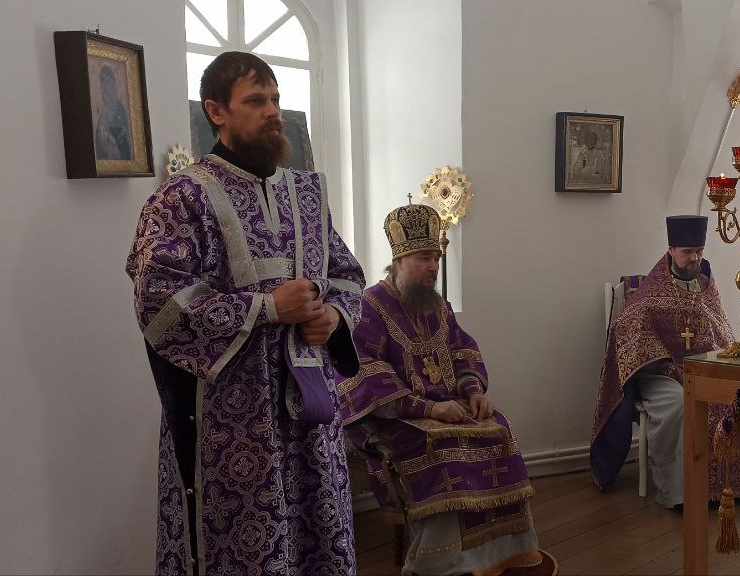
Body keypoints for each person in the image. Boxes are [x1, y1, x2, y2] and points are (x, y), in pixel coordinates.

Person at [126, 51, 366, 575]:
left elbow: (348, 274)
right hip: (231, 424)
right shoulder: (181, 198)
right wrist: (267, 307)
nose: (272, 111)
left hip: (310, 413)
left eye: (275, 99)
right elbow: (159, 303)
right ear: (216, 111)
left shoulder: (307, 192)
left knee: (320, 540)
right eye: (255, 101)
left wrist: (334, 316)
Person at [340, 204, 547, 575]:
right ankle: (441, 562)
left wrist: (473, 392)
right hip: (390, 416)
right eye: (424, 258)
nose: (433, 266)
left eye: (436, 257)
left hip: (450, 406)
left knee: (500, 430)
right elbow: (366, 370)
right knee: (445, 450)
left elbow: (461, 351)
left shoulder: (439, 306)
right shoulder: (369, 306)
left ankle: (504, 553)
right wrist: (429, 409)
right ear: (399, 260)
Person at [590, 215, 740, 509]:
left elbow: (721, 332)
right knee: (679, 405)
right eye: (688, 251)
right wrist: (662, 359)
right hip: (661, 374)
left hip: (702, 369)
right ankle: (678, 493)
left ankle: (732, 487)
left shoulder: (706, 286)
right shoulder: (651, 292)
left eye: (699, 251)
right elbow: (625, 330)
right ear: (671, 250)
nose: (695, 258)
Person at [94, 64, 132, 160]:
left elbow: (126, 136)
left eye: (110, 87)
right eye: (105, 89)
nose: (107, 93)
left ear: (114, 88)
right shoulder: (103, 116)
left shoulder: (121, 110)